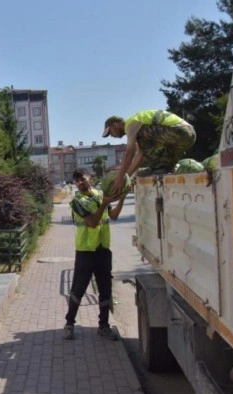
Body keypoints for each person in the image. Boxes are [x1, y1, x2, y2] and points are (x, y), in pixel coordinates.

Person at [64, 169, 126, 341]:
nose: (80, 183)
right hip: (85, 252)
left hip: (103, 250)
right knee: (78, 289)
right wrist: (104, 203)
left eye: (82, 179)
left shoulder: (100, 195)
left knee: (105, 290)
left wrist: (122, 197)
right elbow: (92, 223)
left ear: (90, 178)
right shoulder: (77, 201)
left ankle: (104, 326)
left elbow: (114, 216)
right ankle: (69, 324)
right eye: (77, 181)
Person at [101, 109, 196, 195]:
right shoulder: (137, 128)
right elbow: (139, 156)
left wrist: (120, 177)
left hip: (179, 130)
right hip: (187, 137)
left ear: (115, 125)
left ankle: (157, 166)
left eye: (110, 132)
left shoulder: (132, 123)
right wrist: (127, 178)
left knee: (141, 140)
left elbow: (130, 153)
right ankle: (164, 168)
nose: (112, 136)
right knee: (156, 157)